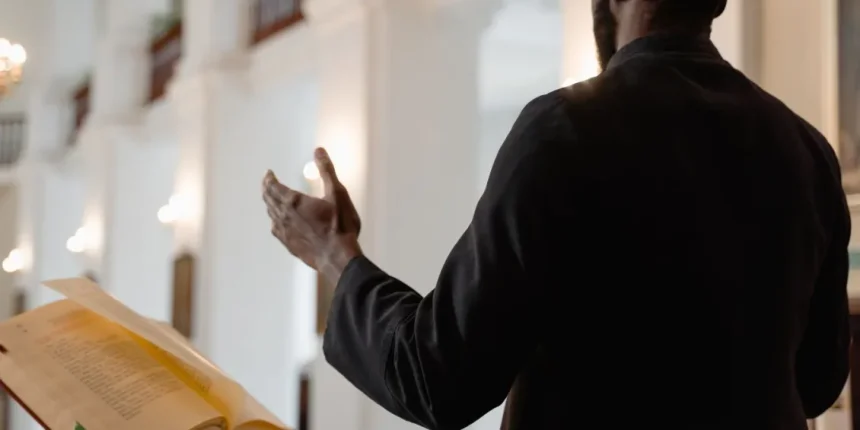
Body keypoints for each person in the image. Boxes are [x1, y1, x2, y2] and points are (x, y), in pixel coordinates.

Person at [262, 0, 851, 428]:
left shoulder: (566, 130)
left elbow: (437, 377)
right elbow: (818, 381)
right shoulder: (805, 150)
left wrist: (334, 255)